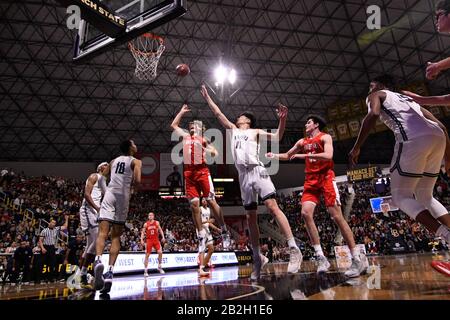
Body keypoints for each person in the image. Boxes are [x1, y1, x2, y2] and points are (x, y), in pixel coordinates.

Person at [349, 75, 450, 277]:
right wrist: (448, 159)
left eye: (371, 85)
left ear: (381, 86)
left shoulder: (377, 95)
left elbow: (372, 115)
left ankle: (446, 236)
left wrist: (356, 147)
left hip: (412, 138)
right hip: (437, 137)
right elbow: (443, 127)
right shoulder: (409, 100)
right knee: (425, 196)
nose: (369, 89)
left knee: (400, 196)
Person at [200, 85, 302, 280]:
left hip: (257, 170)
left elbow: (277, 137)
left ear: (247, 120)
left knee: (272, 206)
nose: (238, 117)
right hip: (243, 176)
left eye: (241, 116)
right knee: (250, 218)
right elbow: (218, 113)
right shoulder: (233, 129)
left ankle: (293, 247)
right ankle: (257, 259)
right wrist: (207, 98)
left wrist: (283, 119)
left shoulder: (255, 131)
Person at [267, 116, 366, 277]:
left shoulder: (325, 137)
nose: (306, 124)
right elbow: (288, 155)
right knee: (305, 213)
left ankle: (356, 257)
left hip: (326, 178)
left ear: (317, 124)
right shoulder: (302, 142)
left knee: (337, 217)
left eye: (309, 122)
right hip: (311, 181)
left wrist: (303, 156)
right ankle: (321, 257)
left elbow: (328, 156)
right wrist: (274, 156)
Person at [170, 104, 231, 277]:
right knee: (194, 206)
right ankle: (200, 235)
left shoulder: (204, 139)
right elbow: (173, 126)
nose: (191, 127)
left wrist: (205, 149)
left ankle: (224, 229)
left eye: (194, 125)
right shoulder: (185, 137)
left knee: (211, 201)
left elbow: (215, 153)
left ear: (200, 128)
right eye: (190, 126)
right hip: (189, 173)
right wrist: (181, 112)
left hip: (202, 172)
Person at [93, 139, 142, 293]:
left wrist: (105, 190)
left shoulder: (113, 161)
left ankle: (98, 260)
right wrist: (134, 191)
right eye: (134, 144)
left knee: (102, 232)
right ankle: (110, 271)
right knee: (116, 237)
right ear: (130, 148)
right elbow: (138, 180)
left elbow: (102, 177)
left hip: (110, 193)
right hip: (123, 196)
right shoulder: (136, 161)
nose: (135, 145)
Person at [78, 162, 108, 287]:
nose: (108, 168)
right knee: (96, 241)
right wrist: (97, 208)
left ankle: (80, 274)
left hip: (95, 211)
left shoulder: (104, 181)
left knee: (90, 245)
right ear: (101, 168)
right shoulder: (94, 176)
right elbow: (86, 194)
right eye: (106, 166)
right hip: (88, 209)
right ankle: (84, 273)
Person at [38, 215, 69, 283]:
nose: (53, 224)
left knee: (52, 264)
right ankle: (39, 279)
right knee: (41, 264)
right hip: (45, 247)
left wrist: (66, 219)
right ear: (49, 223)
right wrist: (42, 248)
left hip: (52, 248)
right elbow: (40, 240)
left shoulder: (56, 229)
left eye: (54, 223)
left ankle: (50, 279)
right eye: (52, 222)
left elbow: (65, 227)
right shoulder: (44, 230)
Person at [198, 198, 222, 273]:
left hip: (207, 230)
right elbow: (197, 222)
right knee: (202, 249)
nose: (204, 201)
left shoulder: (208, 209)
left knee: (211, 249)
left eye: (205, 200)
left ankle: (202, 267)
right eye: (202, 200)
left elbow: (209, 223)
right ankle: (201, 268)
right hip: (200, 229)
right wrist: (208, 221)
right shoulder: (199, 209)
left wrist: (217, 229)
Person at [141, 212, 166, 276]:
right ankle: (145, 271)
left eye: (151, 215)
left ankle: (159, 266)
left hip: (156, 240)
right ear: (148, 217)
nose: (150, 216)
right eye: (149, 215)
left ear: (153, 216)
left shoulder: (157, 223)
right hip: (149, 240)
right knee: (147, 255)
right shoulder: (146, 224)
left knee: (160, 252)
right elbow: (143, 232)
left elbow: (160, 230)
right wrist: (141, 240)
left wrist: (163, 237)